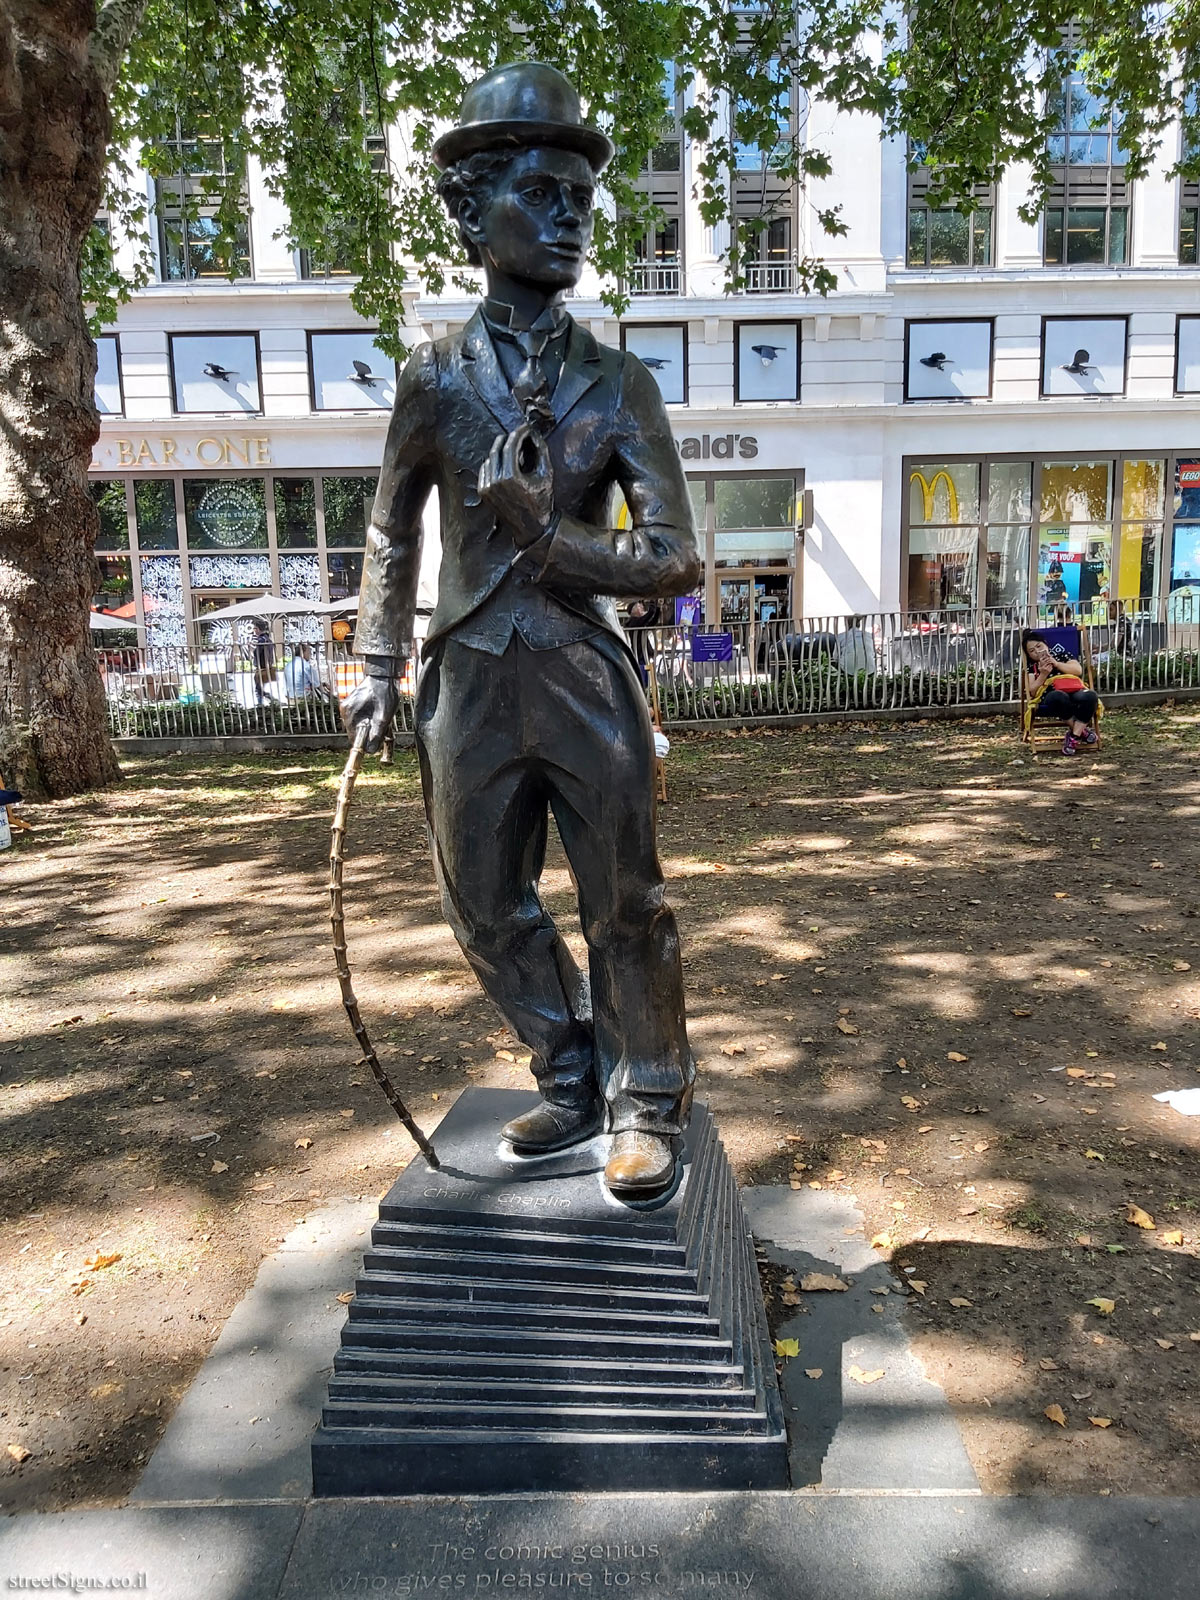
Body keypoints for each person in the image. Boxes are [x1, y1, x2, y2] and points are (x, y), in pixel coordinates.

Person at [341, 63, 700, 1199]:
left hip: (586, 680)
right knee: (484, 904)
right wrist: (375, 660)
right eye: (543, 194)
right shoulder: (432, 379)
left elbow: (676, 559)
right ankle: (568, 1067)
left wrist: (550, 542)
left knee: (626, 901)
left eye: (582, 203)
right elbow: (391, 528)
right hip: (467, 686)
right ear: (474, 210)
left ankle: (648, 1095)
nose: (568, 219)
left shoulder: (620, 382)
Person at [1022, 629, 1100, 754]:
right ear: (1029, 655)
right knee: (1057, 697)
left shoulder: (1062, 655)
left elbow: (1077, 670)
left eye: (1039, 646)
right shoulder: (1033, 667)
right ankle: (1082, 733)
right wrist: (1043, 674)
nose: (1037, 651)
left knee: (1090, 696)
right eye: (1032, 651)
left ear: (1046, 644)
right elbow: (1031, 691)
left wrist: (1057, 664)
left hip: (1074, 688)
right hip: (1052, 692)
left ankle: (1074, 736)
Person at [250, 619, 276, 706]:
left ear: (258, 629)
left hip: (262, 667)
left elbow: (257, 653)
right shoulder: (268, 639)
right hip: (268, 666)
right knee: (260, 687)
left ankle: (261, 703)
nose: (254, 631)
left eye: (255, 628)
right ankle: (268, 698)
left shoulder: (261, 640)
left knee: (258, 687)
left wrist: (252, 649)